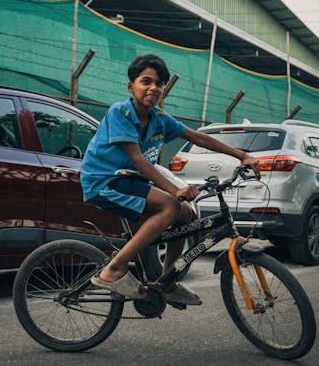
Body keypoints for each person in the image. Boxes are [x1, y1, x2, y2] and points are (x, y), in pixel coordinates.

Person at [80, 54, 260, 306]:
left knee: (186, 214)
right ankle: (114, 269)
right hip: (104, 181)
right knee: (172, 205)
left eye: (159, 84)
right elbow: (138, 159)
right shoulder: (119, 112)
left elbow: (198, 137)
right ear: (131, 86)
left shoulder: (159, 118)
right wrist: (175, 189)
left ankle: (167, 281)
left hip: (128, 180)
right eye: (146, 81)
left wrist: (242, 155)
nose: (153, 88)